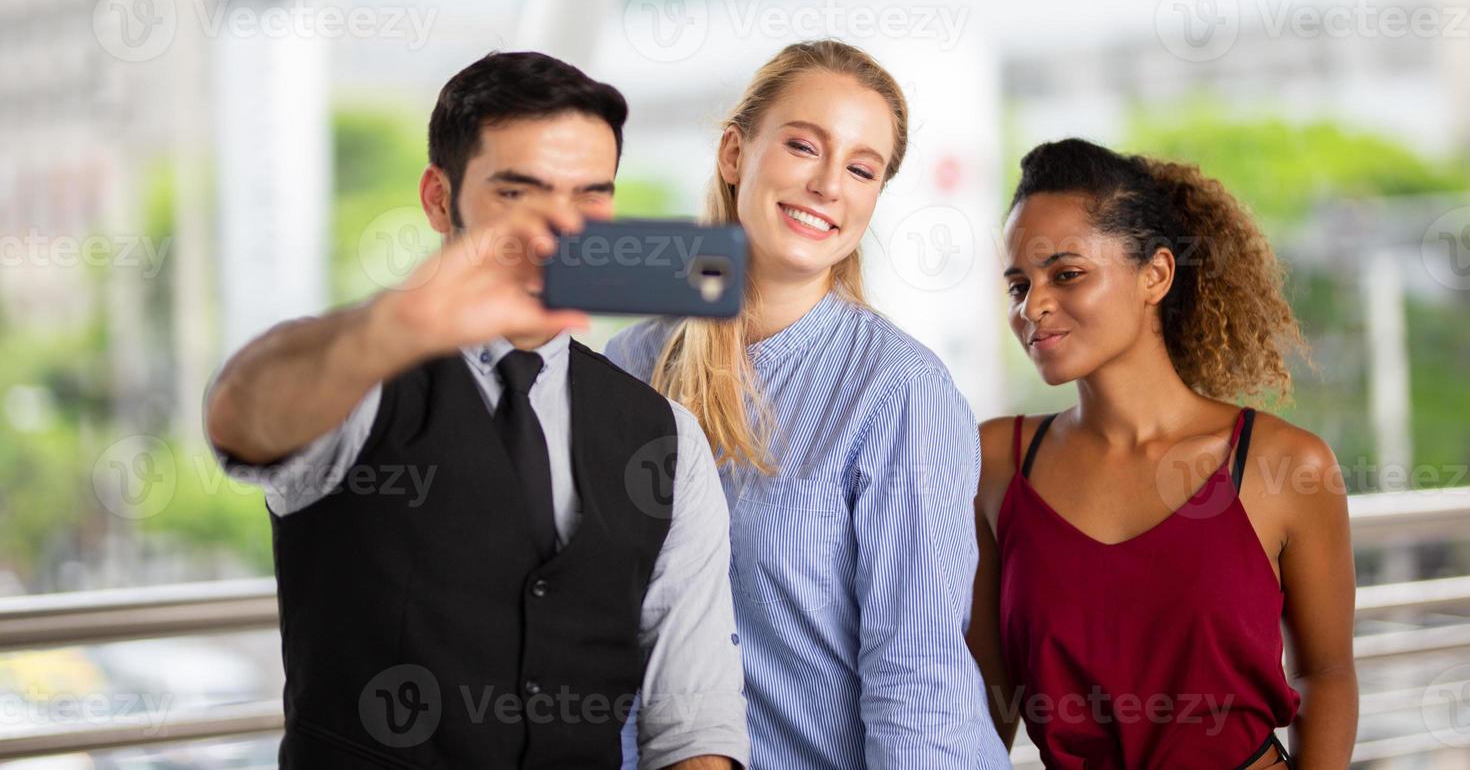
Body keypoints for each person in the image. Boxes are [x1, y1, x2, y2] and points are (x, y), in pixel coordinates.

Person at [206, 50, 748, 769]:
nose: (557, 229)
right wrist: (395, 326)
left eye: (590, 195)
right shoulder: (359, 383)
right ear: (439, 199)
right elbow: (244, 416)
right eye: (519, 194)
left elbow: (694, 721)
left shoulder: (664, 440)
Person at [606, 39, 1010, 768]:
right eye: (803, 146)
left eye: (862, 169)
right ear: (735, 154)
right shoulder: (632, 367)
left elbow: (916, 677)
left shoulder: (899, 392)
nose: (830, 185)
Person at [969, 137, 1358, 769]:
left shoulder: (1285, 465)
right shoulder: (996, 462)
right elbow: (986, 704)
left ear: (1156, 274)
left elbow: (1328, 672)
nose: (1033, 306)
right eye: (1019, 285)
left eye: (1066, 274)